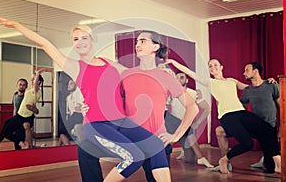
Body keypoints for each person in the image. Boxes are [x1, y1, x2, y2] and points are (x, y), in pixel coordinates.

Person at [0, 17, 174, 182]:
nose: (79, 42)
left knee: (156, 144)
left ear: (92, 40)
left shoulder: (108, 62)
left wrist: (161, 72)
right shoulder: (75, 66)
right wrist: (17, 25)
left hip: (121, 121)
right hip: (98, 124)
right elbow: (44, 44)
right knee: (134, 157)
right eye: (75, 39)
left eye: (84, 37)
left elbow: (134, 76)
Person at [166, 58, 281, 174]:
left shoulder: (232, 81)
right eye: (210, 66)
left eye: (215, 65)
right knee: (248, 143)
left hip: (241, 113)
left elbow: (253, 86)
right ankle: (224, 160)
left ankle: (277, 163)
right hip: (227, 116)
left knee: (268, 129)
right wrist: (174, 63)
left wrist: (268, 82)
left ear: (221, 67)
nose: (212, 67)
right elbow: (191, 73)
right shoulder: (210, 82)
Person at [119, 30, 199, 182]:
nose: (137, 44)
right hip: (132, 141)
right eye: (137, 41)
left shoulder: (166, 77)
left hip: (157, 141)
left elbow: (192, 107)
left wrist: (176, 135)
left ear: (155, 47)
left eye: (143, 41)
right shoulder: (126, 75)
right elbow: (113, 104)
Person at [214, 61, 280, 173]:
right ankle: (226, 160)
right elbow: (240, 110)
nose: (244, 73)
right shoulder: (248, 90)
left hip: (270, 126)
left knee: (270, 169)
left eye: (247, 70)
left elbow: (282, 106)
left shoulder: (271, 85)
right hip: (254, 127)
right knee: (221, 131)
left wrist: (282, 128)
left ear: (255, 71)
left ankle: (270, 160)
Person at [165, 71, 213, 168]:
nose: (179, 80)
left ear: (186, 80)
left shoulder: (194, 93)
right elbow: (164, 108)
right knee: (187, 131)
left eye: (181, 77)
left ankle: (186, 151)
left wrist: (198, 123)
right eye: (177, 78)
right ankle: (201, 157)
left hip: (186, 125)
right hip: (173, 125)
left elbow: (207, 108)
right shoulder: (171, 93)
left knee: (191, 159)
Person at [0, 69, 44, 152]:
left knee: (18, 130)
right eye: (32, 79)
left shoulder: (36, 91)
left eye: (34, 79)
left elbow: (35, 108)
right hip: (19, 115)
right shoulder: (24, 93)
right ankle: (21, 144)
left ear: (38, 82)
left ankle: (26, 147)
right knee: (6, 129)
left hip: (25, 116)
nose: (32, 80)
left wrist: (37, 74)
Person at [12, 78, 39, 149]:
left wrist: (32, 108)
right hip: (17, 119)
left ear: (26, 87)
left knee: (26, 127)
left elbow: (36, 111)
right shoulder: (14, 96)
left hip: (26, 119)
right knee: (17, 144)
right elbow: (14, 108)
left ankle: (30, 147)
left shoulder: (28, 96)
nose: (21, 86)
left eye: (24, 85)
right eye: (20, 84)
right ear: (17, 85)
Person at [58, 79, 84, 146]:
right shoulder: (68, 97)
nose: (69, 85)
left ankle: (65, 146)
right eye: (68, 84)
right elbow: (68, 112)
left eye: (71, 83)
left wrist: (81, 107)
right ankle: (63, 146)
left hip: (79, 115)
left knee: (62, 132)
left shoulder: (78, 93)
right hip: (72, 117)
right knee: (62, 133)